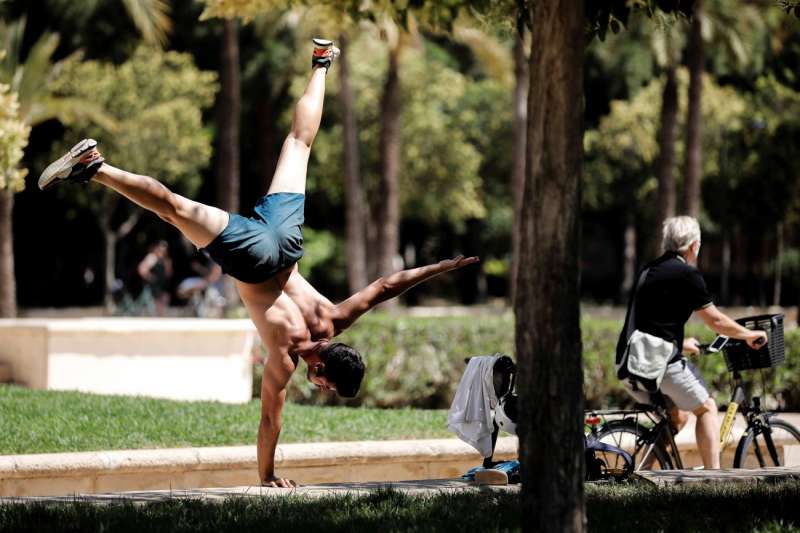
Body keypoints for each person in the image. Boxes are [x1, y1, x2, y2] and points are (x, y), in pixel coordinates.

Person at [39, 38, 478, 487]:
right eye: (324, 385)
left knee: (298, 141)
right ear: (323, 368)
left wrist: (440, 267)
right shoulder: (286, 356)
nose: (318, 386)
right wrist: (267, 475)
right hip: (250, 258)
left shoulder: (335, 319)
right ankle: (94, 169)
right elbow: (270, 420)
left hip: (284, 241)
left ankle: (321, 63)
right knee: (172, 209)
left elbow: (386, 286)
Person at [616, 216, 767, 469]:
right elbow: (716, 321)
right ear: (694, 245)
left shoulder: (649, 269)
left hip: (628, 362)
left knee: (679, 417)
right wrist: (749, 335)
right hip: (657, 365)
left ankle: (644, 472)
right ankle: (712, 482)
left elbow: (648, 320)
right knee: (707, 407)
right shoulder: (687, 274)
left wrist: (679, 341)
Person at [137, 240, 173, 316]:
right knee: (156, 302)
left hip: (163, 285)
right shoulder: (152, 257)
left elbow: (169, 274)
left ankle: (161, 317)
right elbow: (141, 269)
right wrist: (150, 277)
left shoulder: (166, 260)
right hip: (153, 286)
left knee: (165, 299)